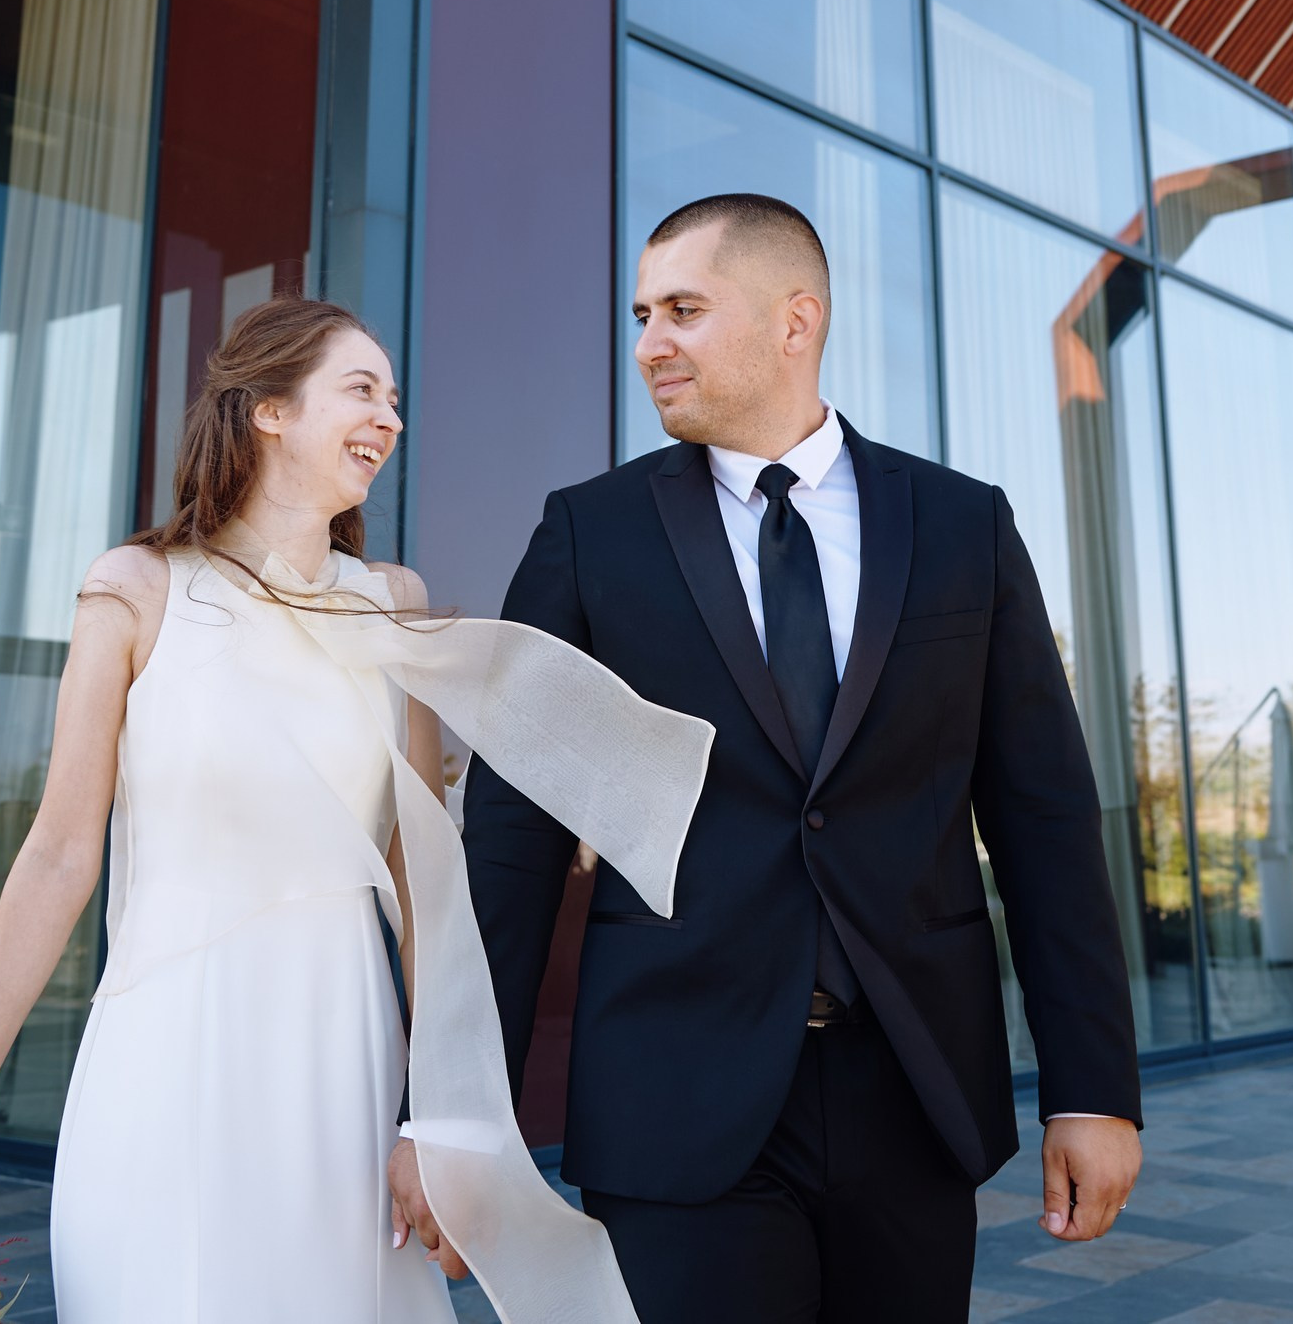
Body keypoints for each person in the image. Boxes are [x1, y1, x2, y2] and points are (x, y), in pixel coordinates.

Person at [0, 297, 711, 1323]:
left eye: (395, 401)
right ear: (267, 409)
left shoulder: (392, 601)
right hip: (165, 1055)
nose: (389, 419)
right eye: (361, 390)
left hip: (338, 1072)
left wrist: (436, 1117)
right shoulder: (135, 589)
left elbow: (421, 883)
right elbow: (56, 857)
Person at [407, 194, 1145, 1323]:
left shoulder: (962, 526)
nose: (650, 343)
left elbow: (1042, 818)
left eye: (684, 311)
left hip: (913, 1089)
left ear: (794, 321)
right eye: (644, 313)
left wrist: (1092, 1091)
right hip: (674, 1092)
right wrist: (459, 1120)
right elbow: (511, 841)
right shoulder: (587, 535)